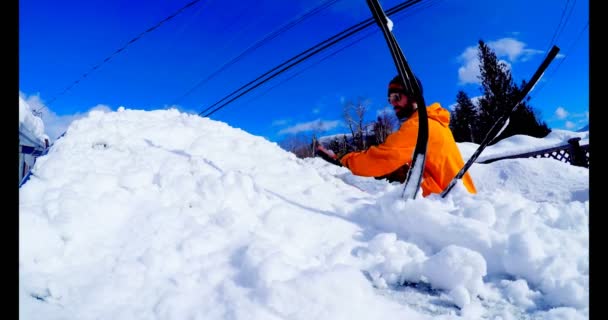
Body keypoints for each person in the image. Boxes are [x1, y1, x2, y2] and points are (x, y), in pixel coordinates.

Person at [317, 75, 476, 197]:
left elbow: (378, 159)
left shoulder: (418, 126)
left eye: (396, 97)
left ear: (413, 95)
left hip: (448, 206)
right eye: (390, 99)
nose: (393, 104)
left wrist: (343, 158)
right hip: (460, 203)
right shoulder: (433, 122)